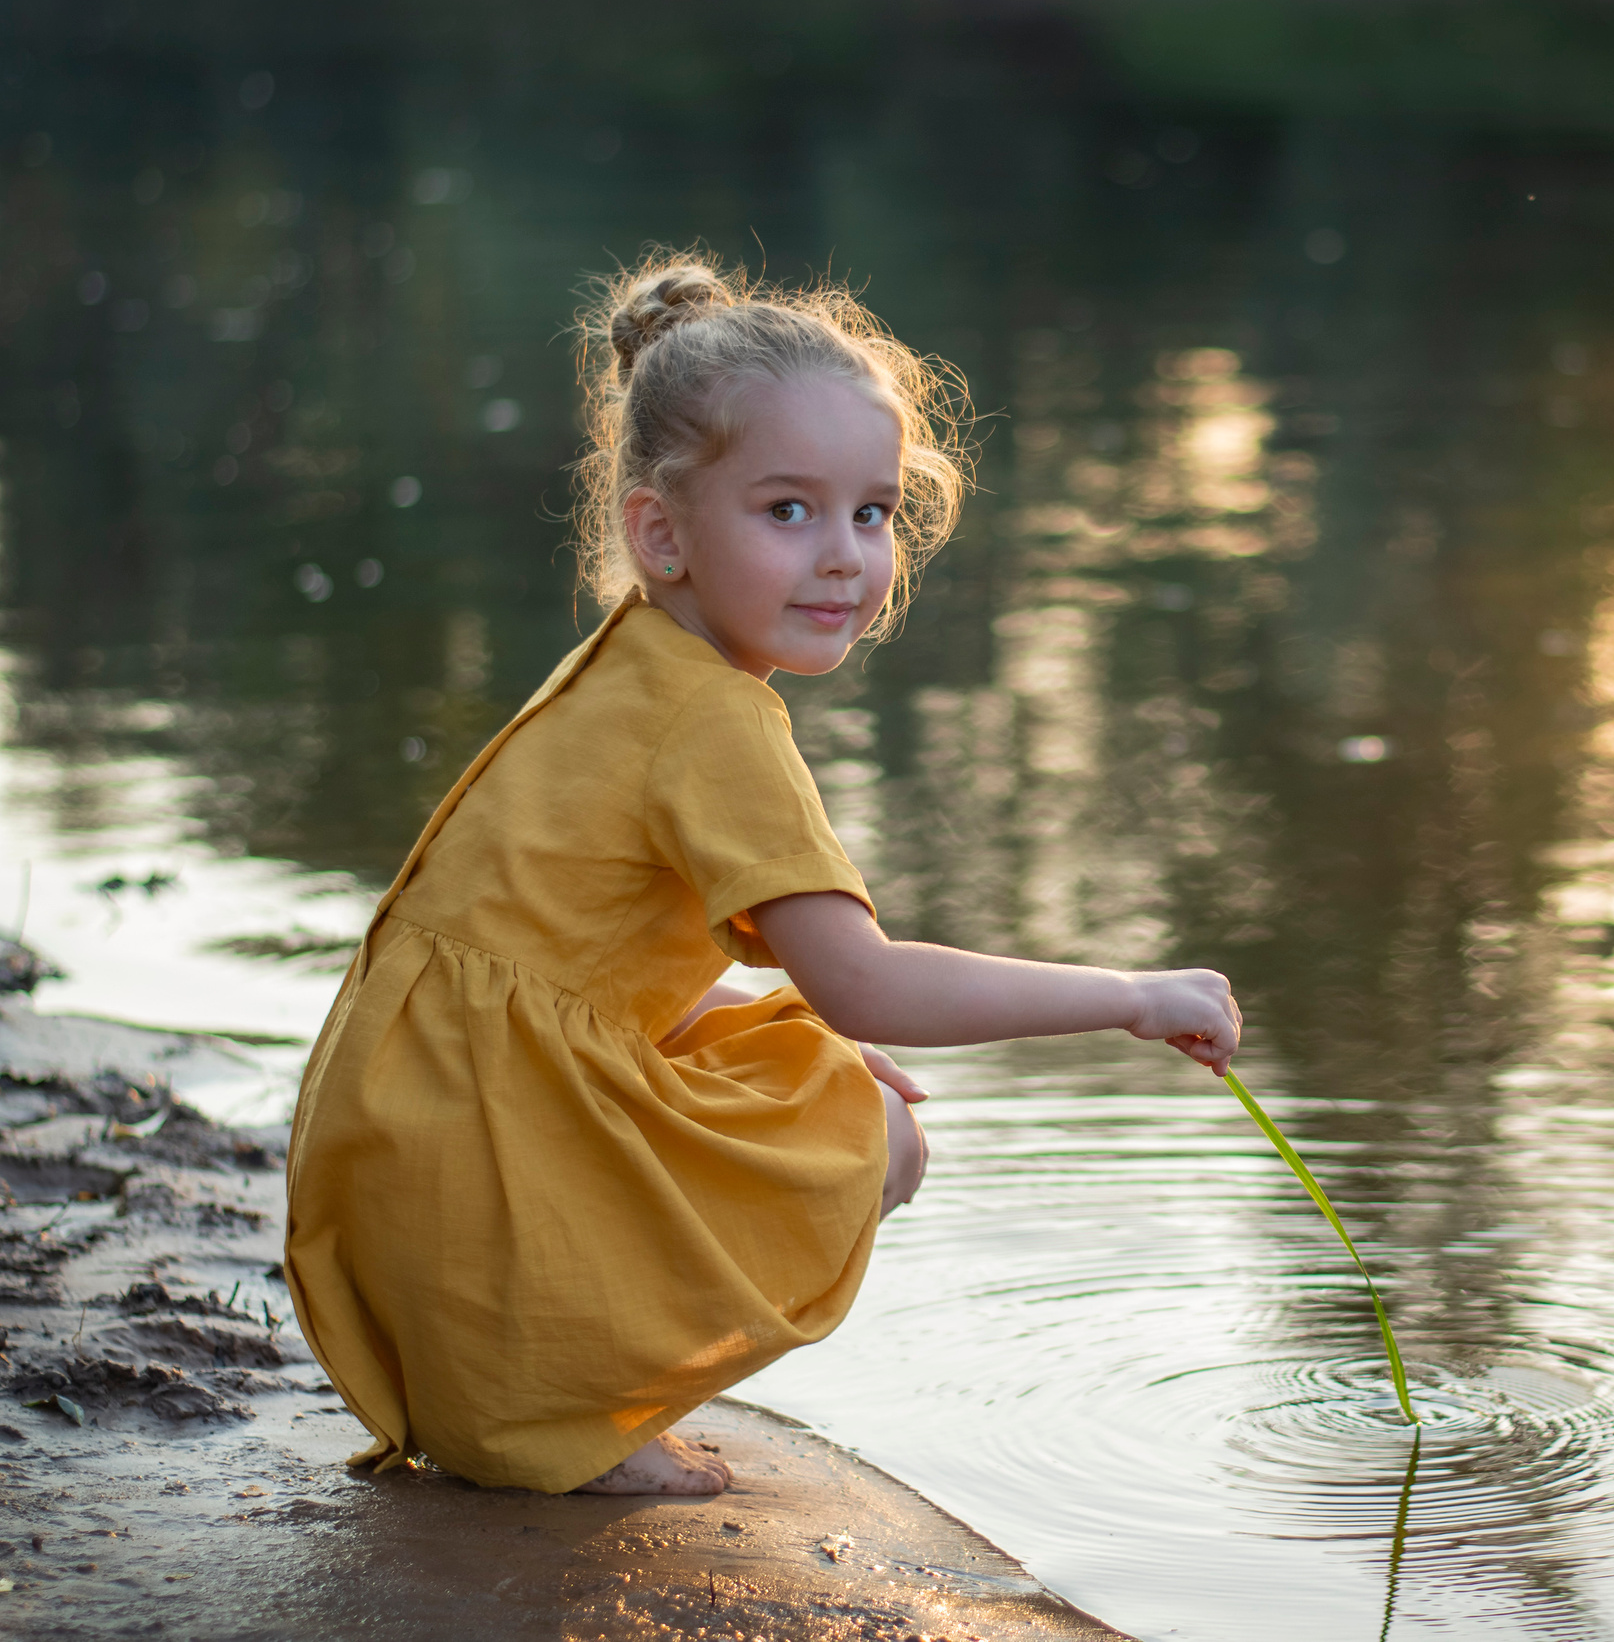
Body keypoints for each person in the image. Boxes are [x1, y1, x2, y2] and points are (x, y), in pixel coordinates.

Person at [284, 252, 1242, 1497]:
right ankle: (577, 1409)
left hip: (400, 1166)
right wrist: (1130, 994)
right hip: (474, 1189)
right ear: (661, 533)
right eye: (788, 511)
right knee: (875, 1130)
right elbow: (873, 988)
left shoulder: (626, 666)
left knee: (799, 1051)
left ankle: (539, 1384)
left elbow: (555, 960)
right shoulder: (718, 725)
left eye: (872, 512)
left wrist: (770, 1020)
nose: (843, 556)